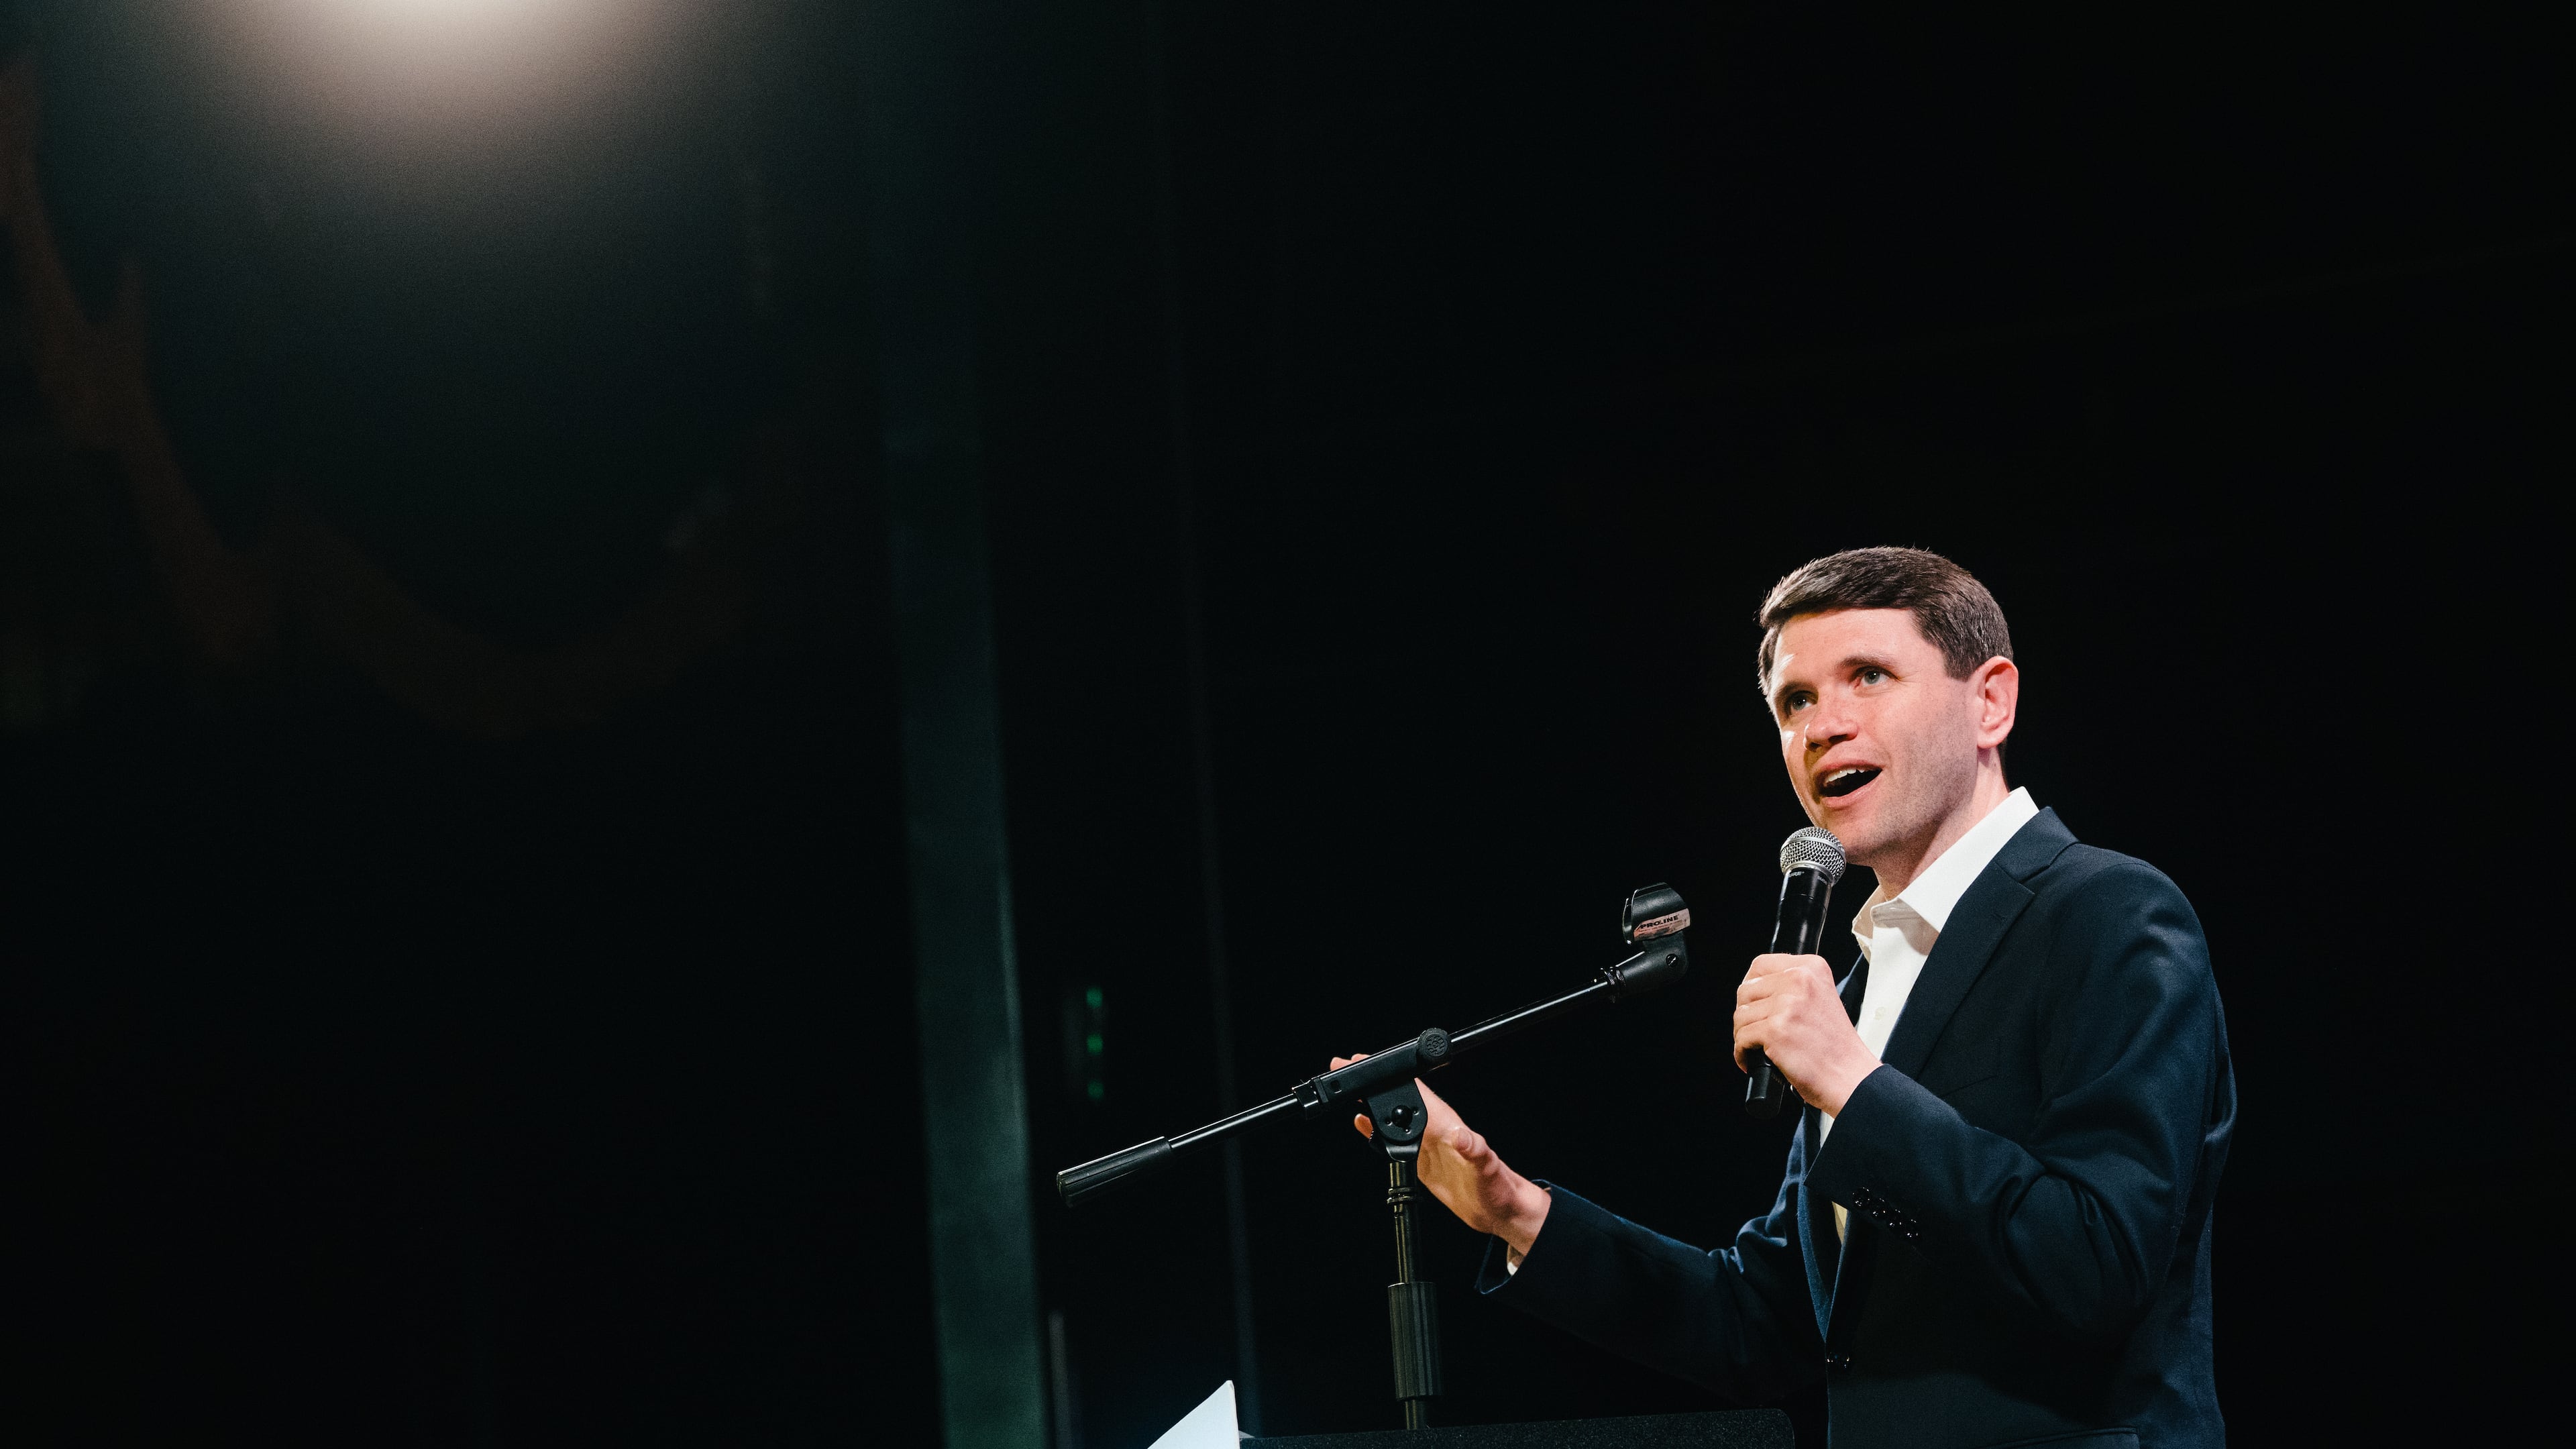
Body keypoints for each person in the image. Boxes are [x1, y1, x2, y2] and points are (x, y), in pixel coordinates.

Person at [1336, 547, 2233, 1448]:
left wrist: (1852, 1083)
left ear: (1988, 701)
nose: (1822, 727)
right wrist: (1510, 1207)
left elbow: (2100, 1263)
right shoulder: (1862, 982)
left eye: (1869, 677)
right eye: (1794, 702)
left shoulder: (2108, 912)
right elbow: (1763, 1322)